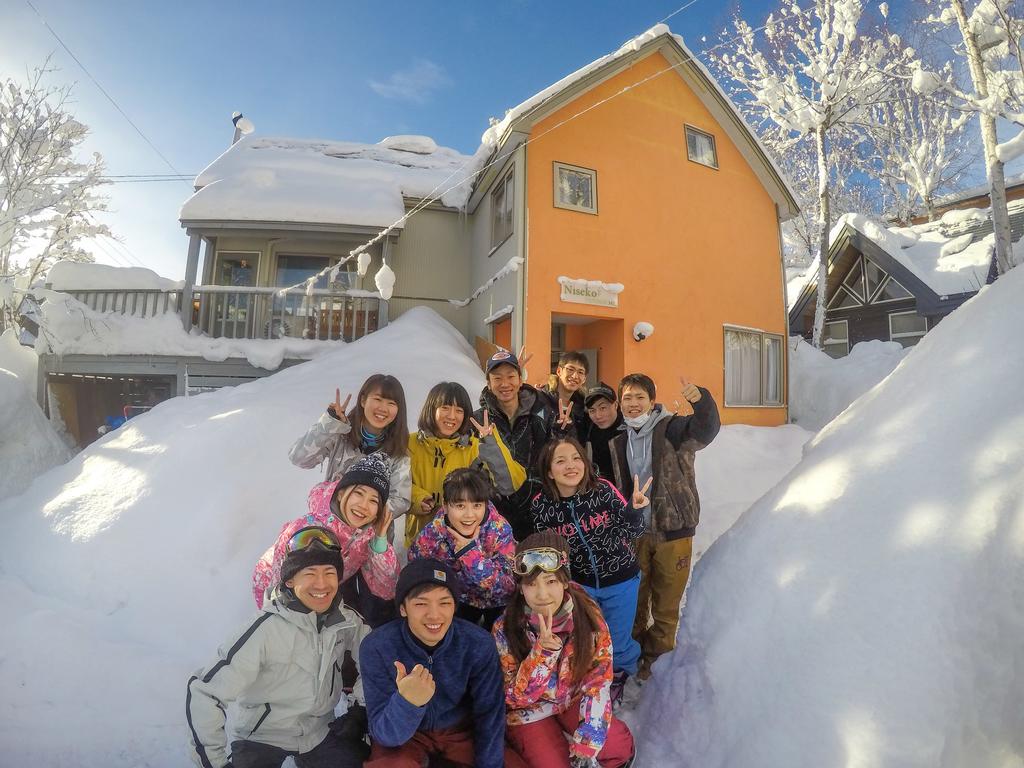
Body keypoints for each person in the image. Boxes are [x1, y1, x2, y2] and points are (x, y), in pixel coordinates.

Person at [187, 526, 370, 768]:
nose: (321, 584)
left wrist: (360, 709)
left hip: (320, 733)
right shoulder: (265, 628)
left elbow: (377, 660)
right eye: (310, 574)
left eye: (329, 573)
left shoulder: (345, 620)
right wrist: (216, 764)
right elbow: (205, 692)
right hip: (262, 737)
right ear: (290, 580)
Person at [610, 373, 720, 681]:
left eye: (639, 397)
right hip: (634, 534)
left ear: (651, 400)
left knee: (665, 605)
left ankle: (656, 666)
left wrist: (701, 401)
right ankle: (631, 660)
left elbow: (705, 430)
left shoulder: (672, 429)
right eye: (627, 398)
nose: (633, 404)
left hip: (673, 532)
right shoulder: (618, 440)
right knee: (634, 601)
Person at [358, 559, 520, 768]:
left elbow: (489, 714)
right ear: (403, 609)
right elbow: (385, 735)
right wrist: (408, 702)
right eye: (421, 603)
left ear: (454, 607)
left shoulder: (477, 643)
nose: (434, 614)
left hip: (459, 731)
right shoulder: (377, 647)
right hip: (408, 735)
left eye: (444, 603)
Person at [494, 532, 635, 768]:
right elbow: (513, 697)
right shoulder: (504, 628)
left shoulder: (588, 615)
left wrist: (589, 736)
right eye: (531, 584)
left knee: (618, 748)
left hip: (572, 698)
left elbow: (598, 679)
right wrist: (542, 655)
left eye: (550, 581)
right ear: (520, 589)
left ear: (564, 581)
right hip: (530, 711)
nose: (542, 594)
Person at [531, 437, 648, 702]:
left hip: (620, 580)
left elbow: (633, 531)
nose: (570, 466)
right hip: (580, 586)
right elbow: (549, 552)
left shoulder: (603, 490)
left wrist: (634, 511)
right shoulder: (542, 506)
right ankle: (592, 678)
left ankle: (622, 677)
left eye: (575, 458)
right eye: (560, 461)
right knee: (588, 639)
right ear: (549, 471)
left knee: (617, 639)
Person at [253, 453, 400, 627]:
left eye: (373, 500)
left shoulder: (365, 537)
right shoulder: (307, 529)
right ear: (340, 494)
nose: (363, 505)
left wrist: (380, 541)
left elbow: (384, 588)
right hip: (277, 587)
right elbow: (277, 591)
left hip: (321, 591)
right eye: (358, 493)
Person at [405, 381, 526, 547]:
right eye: (445, 408)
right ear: (431, 408)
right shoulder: (409, 444)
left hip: (463, 543)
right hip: (420, 541)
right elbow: (397, 485)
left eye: (459, 410)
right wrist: (418, 499)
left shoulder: (474, 448)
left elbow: (510, 484)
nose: (452, 416)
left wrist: (491, 442)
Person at [473, 349, 574, 538]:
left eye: (511, 376)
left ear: (520, 380)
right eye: (497, 378)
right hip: (494, 514)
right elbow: (474, 464)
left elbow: (550, 454)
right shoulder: (479, 419)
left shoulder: (540, 412)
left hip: (537, 508)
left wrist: (560, 432)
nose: (505, 384)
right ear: (488, 383)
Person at [289, 374, 412, 520]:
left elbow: (400, 501)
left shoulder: (397, 453)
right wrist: (330, 424)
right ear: (363, 400)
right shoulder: (340, 433)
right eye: (377, 399)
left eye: (391, 403)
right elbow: (299, 458)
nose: (383, 408)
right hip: (328, 529)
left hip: (369, 537)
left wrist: (363, 513)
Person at [408, 467, 516, 630]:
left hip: (496, 603)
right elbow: (416, 567)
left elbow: (507, 587)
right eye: (460, 506)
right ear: (445, 506)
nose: (469, 515)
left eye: (477, 505)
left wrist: (470, 554)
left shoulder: (499, 530)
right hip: (458, 600)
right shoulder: (434, 532)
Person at [539, 351, 592, 443]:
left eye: (580, 372)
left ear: (584, 379)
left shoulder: (583, 407)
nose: (575, 376)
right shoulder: (540, 399)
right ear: (559, 371)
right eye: (570, 369)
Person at [582, 382, 623, 481]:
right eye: (592, 410)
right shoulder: (590, 427)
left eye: (603, 408)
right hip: (602, 489)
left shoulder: (630, 428)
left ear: (616, 405)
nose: (598, 415)